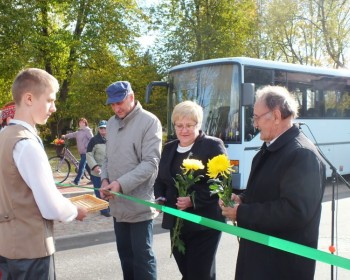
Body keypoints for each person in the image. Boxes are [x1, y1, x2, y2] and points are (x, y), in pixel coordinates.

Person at [221, 85, 326, 280]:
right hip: (260, 259)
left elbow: (295, 211)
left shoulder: (302, 154)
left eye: (257, 117)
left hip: (281, 266)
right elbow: (266, 191)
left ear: (276, 115)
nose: (255, 123)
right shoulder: (270, 148)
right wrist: (242, 199)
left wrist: (241, 212)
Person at [0, 68, 88, 280]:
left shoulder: (4, 135)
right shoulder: (26, 143)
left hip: (7, 247)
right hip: (31, 252)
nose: (54, 108)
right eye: (49, 100)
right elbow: (50, 207)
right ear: (29, 98)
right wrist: (75, 211)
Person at [153, 100, 226, 280]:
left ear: (198, 124)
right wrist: (160, 197)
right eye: (179, 125)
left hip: (204, 222)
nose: (183, 130)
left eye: (189, 125)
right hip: (177, 224)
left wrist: (193, 200)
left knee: (199, 274)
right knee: (186, 271)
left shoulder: (212, 145)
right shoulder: (170, 148)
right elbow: (161, 178)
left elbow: (221, 181)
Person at [100, 81, 162, 280]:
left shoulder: (149, 121)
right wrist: (104, 179)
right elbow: (107, 157)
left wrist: (120, 184)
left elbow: (151, 164)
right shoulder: (110, 122)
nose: (116, 108)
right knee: (125, 259)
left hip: (139, 207)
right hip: (118, 206)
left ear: (132, 97)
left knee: (143, 260)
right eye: (113, 104)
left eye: (120, 102)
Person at [86, 120, 110, 217]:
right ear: (98, 129)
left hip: (109, 171)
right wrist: (94, 166)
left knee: (108, 189)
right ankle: (103, 209)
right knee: (98, 190)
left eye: (105, 128)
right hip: (97, 171)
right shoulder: (93, 140)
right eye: (101, 128)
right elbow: (89, 154)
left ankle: (109, 206)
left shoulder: (112, 139)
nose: (103, 130)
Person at [62, 117, 93, 185]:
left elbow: (92, 139)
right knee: (86, 166)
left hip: (86, 152)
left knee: (81, 166)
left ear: (85, 123)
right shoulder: (79, 131)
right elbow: (72, 134)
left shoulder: (87, 131)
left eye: (82, 122)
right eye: (80, 122)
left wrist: (86, 146)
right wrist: (65, 136)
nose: (81, 123)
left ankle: (76, 181)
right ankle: (93, 179)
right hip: (81, 152)